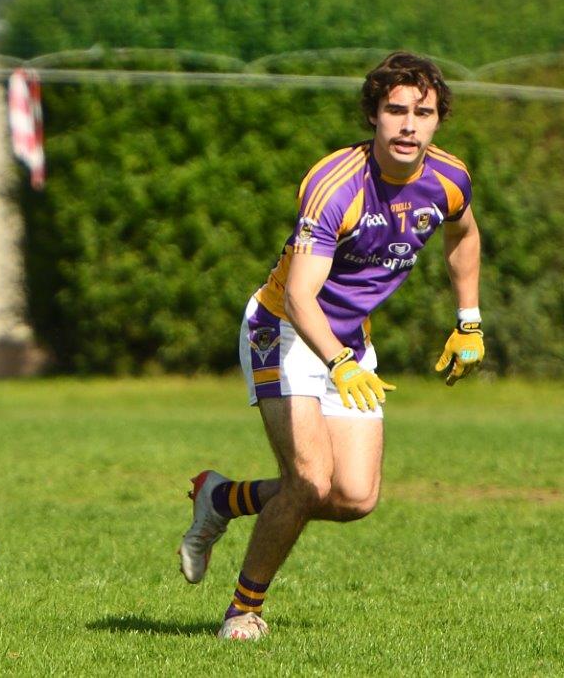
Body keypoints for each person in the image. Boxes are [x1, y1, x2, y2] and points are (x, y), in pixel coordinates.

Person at [176, 52, 485, 641]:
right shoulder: (335, 184)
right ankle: (243, 610)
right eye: (395, 110)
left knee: (353, 497)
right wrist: (339, 362)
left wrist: (468, 320)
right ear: (373, 115)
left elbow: (464, 232)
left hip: (348, 340)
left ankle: (221, 497)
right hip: (283, 329)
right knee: (311, 478)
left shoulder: (449, 178)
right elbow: (298, 296)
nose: (409, 124)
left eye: (423, 112)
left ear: (439, 119)